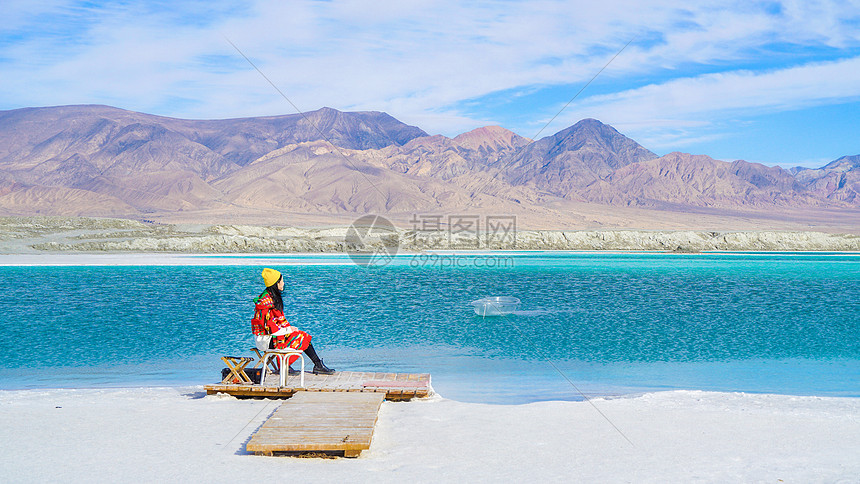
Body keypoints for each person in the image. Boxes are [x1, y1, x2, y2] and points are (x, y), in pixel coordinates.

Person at [251, 268, 335, 375]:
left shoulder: (270, 299)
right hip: (265, 340)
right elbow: (269, 328)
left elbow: (276, 324)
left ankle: (316, 365)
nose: (283, 283)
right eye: (282, 281)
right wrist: (288, 329)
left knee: (300, 334)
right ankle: (294, 365)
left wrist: (288, 329)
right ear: (276, 284)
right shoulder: (266, 304)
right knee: (302, 336)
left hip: (271, 337)